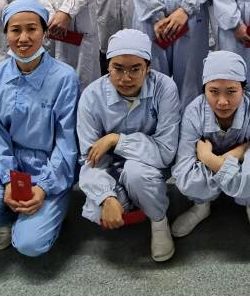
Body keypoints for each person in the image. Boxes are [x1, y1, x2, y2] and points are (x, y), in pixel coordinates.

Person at [0, 0, 79, 257]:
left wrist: (44, 186)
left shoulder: (64, 77)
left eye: (32, 29)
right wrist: (8, 180)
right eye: (15, 30)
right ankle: (9, 217)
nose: (23, 38)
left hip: (50, 169)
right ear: (5, 34)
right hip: (10, 168)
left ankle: (48, 213)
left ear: (45, 32)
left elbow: (66, 142)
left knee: (29, 244)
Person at [76, 29, 181, 262]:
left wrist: (116, 139)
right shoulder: (91, 97)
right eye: (118, 68)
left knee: (136, 174)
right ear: (107, 67)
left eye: (135, 69)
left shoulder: (165, 89)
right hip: (109, 167)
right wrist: (106, 196)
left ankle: (159, 220)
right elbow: (89, 158)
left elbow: (165, 152)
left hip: (150, 165)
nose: (126, 78)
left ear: (148, 68)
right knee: (99, 210)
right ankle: (130, 199)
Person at [171, 51, 250, 246]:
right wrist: (236, 154)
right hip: (237, 172)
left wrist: (208, 158)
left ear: (243, 89)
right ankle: (201, 206)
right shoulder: (194, 112)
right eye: (214, 91)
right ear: (204, 89)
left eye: (231, 91)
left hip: (216, 174)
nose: (222, 102)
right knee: (192, 184)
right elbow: (184, 178)